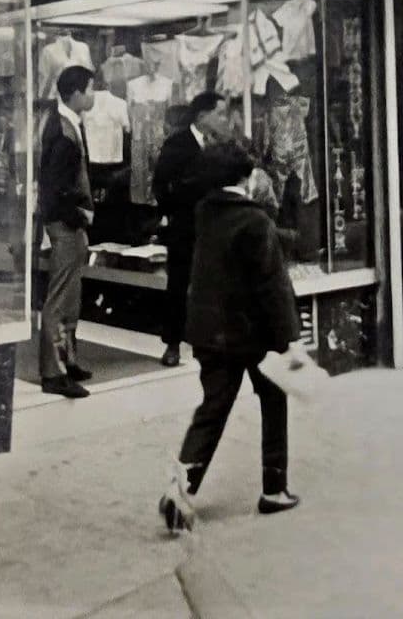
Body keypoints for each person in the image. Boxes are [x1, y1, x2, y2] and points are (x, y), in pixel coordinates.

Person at [158, 142, 302, 534]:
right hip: (253, 333)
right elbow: (273, 286)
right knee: (274, 400)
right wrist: (289, 336)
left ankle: (181, 488)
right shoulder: (256, 222)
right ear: (246, 177)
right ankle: (274, 488)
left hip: (210, 331)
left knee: (213, 408)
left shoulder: (205, 212)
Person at [151, 91, 229, 367]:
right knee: (179, 283)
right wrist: (177, 211)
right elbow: (161, 184)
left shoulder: (221, 144)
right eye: (220, 113)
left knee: (214, 283)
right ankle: (172, 344)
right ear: (202, 116)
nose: (224, 119)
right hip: (186, 225)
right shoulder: (178, 144)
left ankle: (211, 339)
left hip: (216, 226)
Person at [37, 65, 96, 399]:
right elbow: (54, 188)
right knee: (60, 299)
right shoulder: (62, 132)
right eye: (91, 89)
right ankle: (53, 373)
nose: (93, 96)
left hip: (70, 225)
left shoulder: (69, 124)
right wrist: (79, 215)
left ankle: (69, 361)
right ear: (75, 93)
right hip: (65, 225)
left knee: (71, 297)